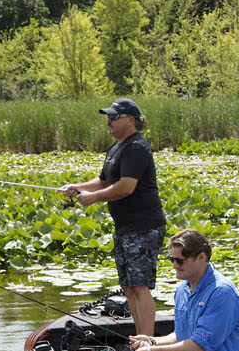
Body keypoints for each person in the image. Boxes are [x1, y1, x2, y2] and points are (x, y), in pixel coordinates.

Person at [61, 98, 165, 336]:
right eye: (107, 116)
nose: (108, 121)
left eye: (113, 117)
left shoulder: (136, 147)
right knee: (129, 288)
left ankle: (146, 344)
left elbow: (126, 187)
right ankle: (139, 340)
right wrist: (76, 187)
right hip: (125, 227)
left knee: (140, 287)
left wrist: (94, 198)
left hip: (143, 226)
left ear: (130, 120)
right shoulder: (117, 147)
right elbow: (104, 181)